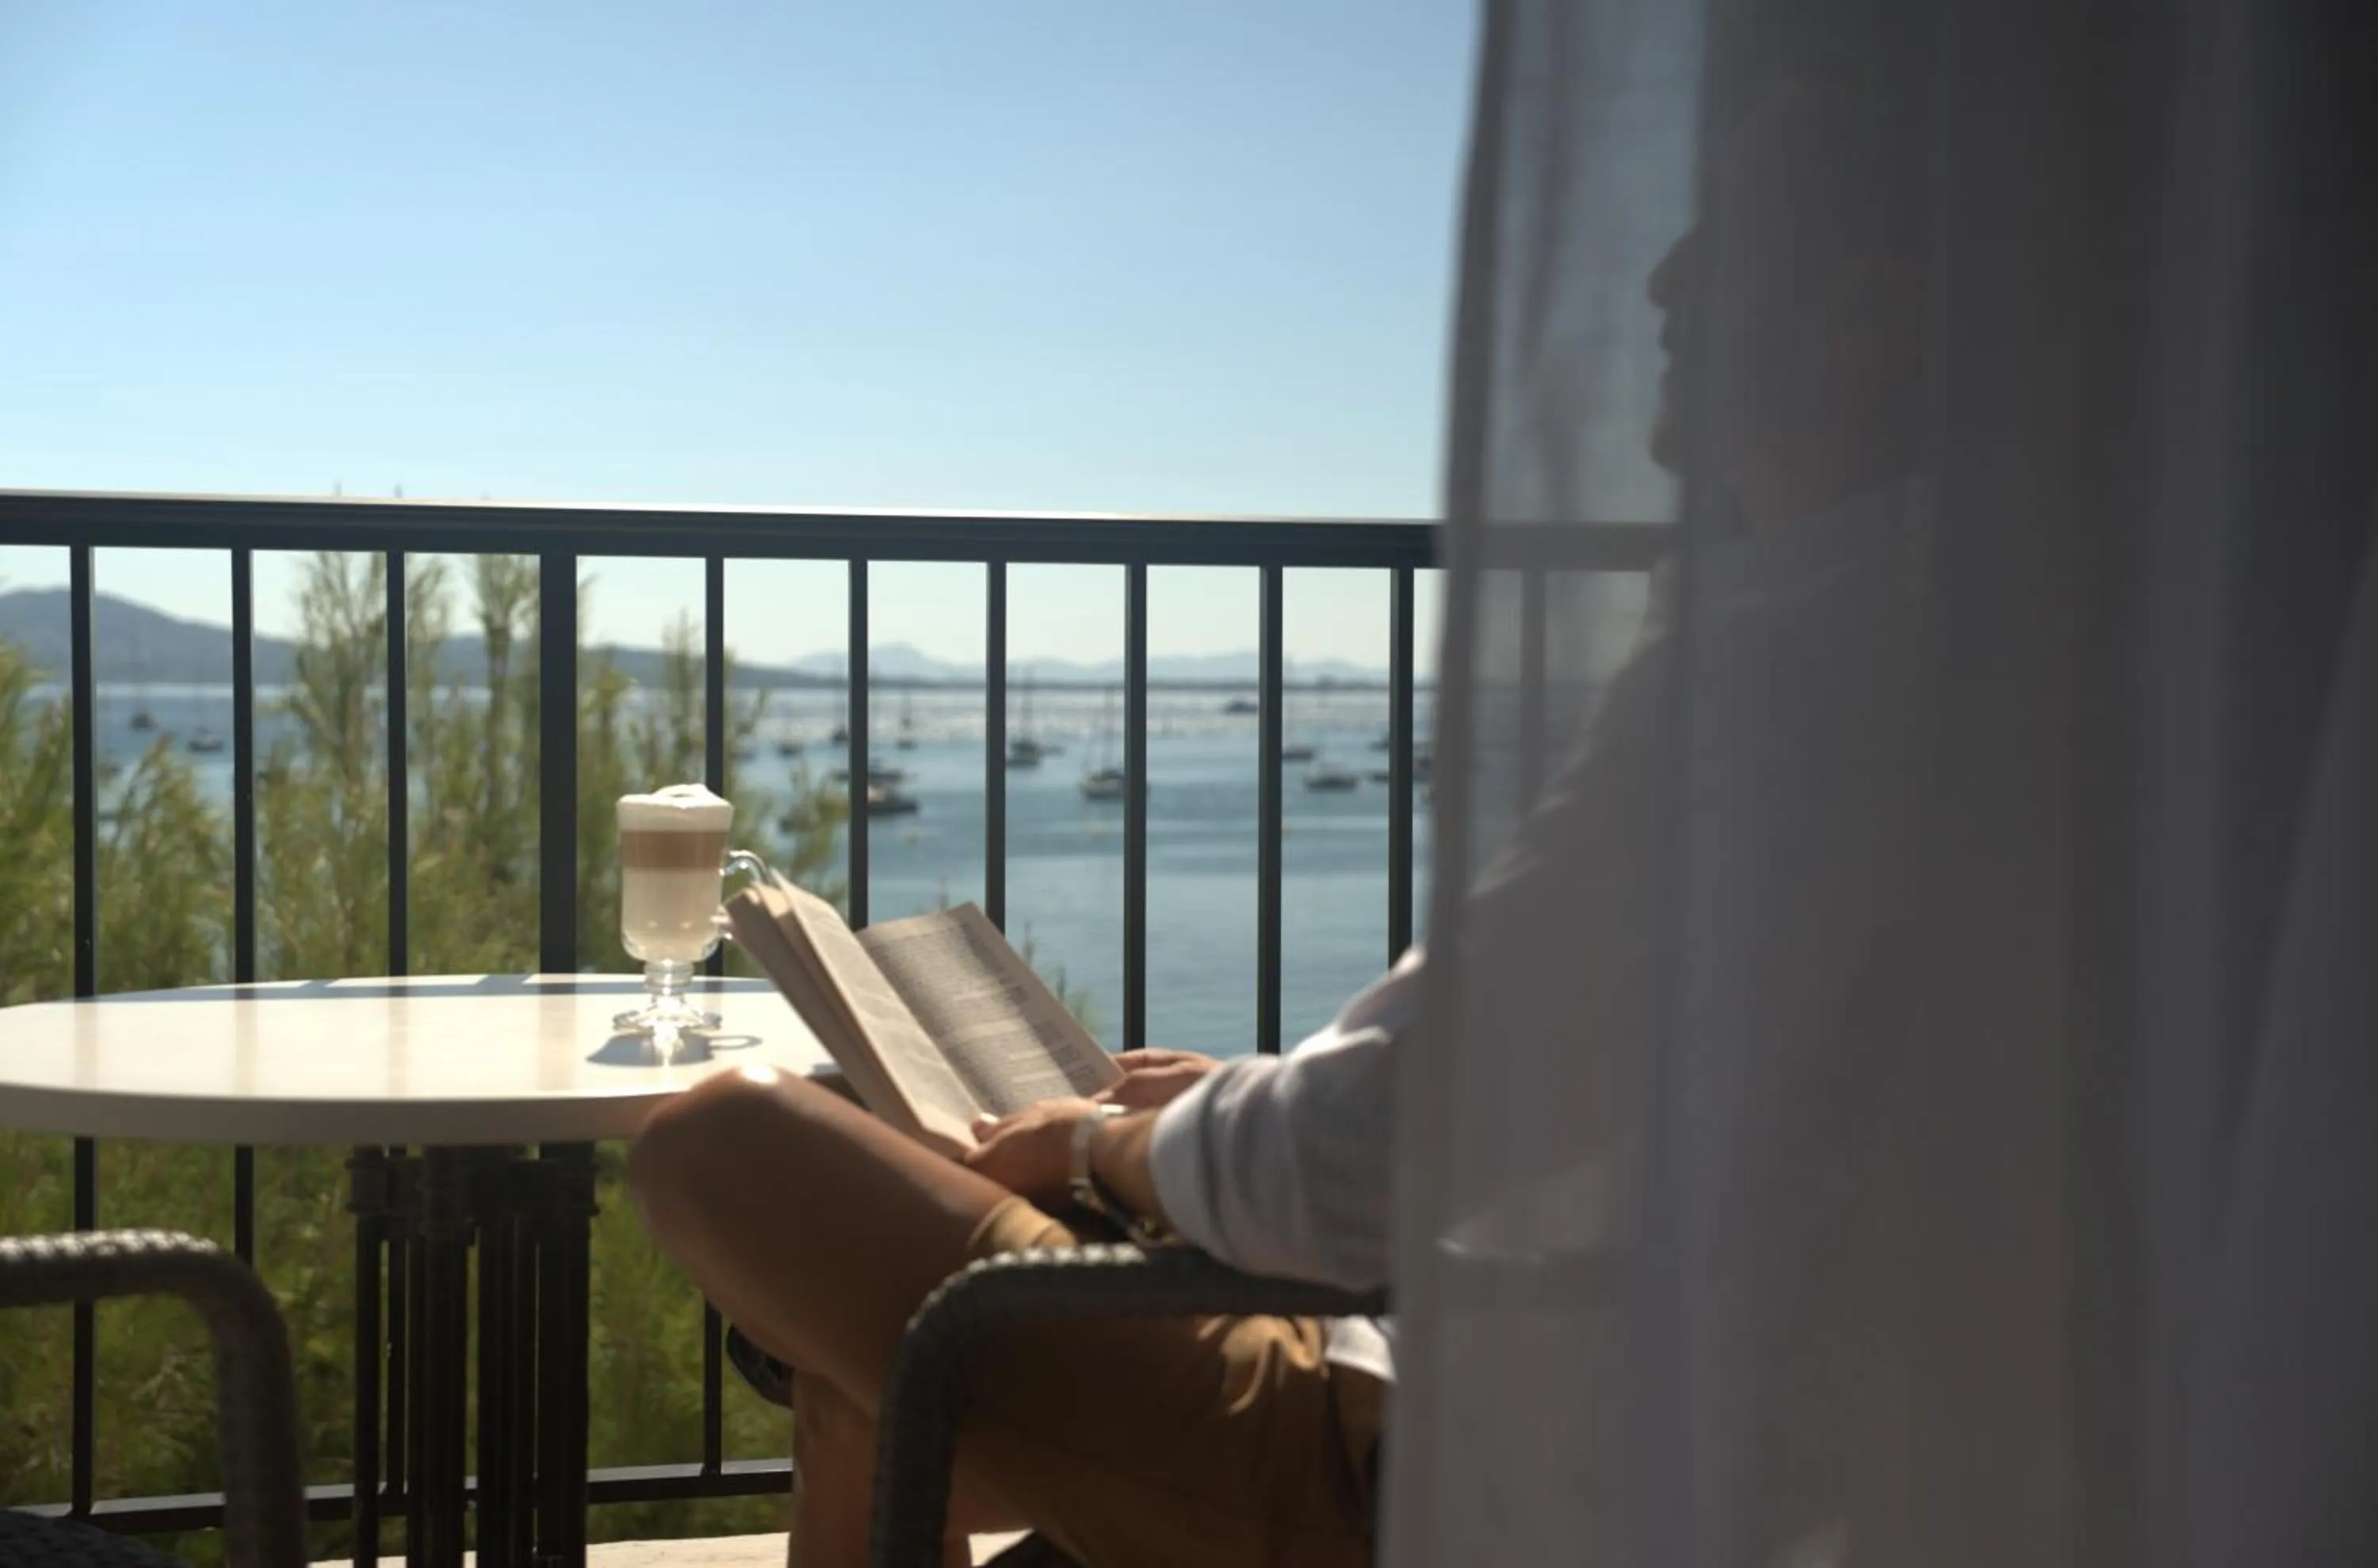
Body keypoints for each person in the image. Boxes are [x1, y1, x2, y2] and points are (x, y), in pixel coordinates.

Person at [628, 41, 1930, 1568]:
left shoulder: (1789, 658)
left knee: (721, 1142)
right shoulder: (1955, 636)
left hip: (1425, 1453)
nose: (1664, 281)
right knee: (890, 1287)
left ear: (1879, 306)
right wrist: (1230, 1097)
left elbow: (1383, 1153)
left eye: (1738, 235)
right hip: (1486, 1360)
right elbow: (1529, 1077)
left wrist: (1095, 1150)